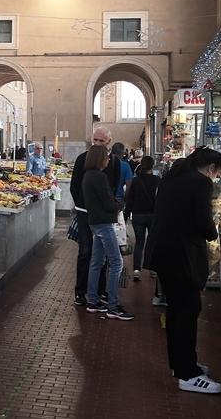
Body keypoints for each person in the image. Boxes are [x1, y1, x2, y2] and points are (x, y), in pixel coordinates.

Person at [144, 148, 221, 394]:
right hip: (182, 256)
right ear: (211, 168)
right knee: (187, 311)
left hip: (164, 253)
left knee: (178, 310)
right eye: (217, 172)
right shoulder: (200, 183)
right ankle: (187, 374)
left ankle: (181, 363)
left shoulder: (172, 177)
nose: (216, 177)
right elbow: (203, 221)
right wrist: (214, 231)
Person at [70, 126, 122, 306]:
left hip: (103, 215)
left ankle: (100, 290)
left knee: (103, 254)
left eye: (102, 141)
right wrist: (83, 206)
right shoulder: (83, 159)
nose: (98, 144)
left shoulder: (112, 162)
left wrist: (110, 207)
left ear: (109, 142)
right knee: (86, 250)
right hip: (85, 213)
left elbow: (114, 187)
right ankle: (80, 290)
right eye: (95, 140)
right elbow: (74, 186)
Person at [82, 145, 134, 321]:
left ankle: (93, 302)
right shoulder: (99, 176)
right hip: (104, 223)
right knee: (116, 262)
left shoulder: (88, 176)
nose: (109, 160)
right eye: (106, 157)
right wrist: (120, 204)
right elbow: (107, 202)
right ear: (99, 159)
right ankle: (113, 306)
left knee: (96, 262)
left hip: (94, 222)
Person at [124, 156, 160, 281]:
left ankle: (136, 270)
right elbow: (160, 199)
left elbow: (130, 199)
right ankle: (153, 270)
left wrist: (125, 216)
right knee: (152, 243)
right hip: (152, 215)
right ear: (152, 166)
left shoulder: (136, 181)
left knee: (139, 243)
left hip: (138, 215)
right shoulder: (157, 180)